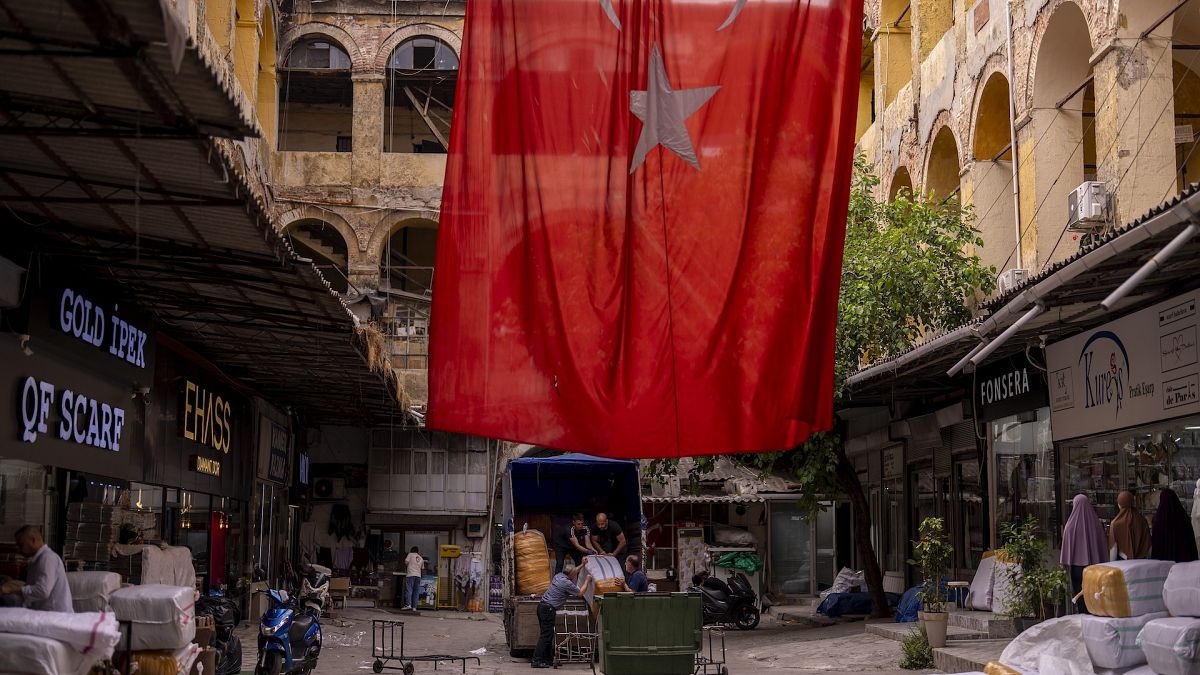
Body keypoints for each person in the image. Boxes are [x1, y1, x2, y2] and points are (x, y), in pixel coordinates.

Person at [532, 560, 593, 669]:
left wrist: (582, 565)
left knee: (548, 636)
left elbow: (573, 571)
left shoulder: (558, 576)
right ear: (571, 575)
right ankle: (536, 660)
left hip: (542, 607)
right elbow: (580, 593)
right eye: (575, 575)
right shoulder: (567, 583)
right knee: (546, 636)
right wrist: (587, 581)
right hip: (548, 609)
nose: (575, 576)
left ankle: (548, 660)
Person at [0, 525, 72, 613]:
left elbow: (43, 591)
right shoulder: (37, 560)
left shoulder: (47, 558)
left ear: (33, 540)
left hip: (55, 617)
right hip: (46, 615)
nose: (19, 550)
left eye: (21, 545)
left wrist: (14, 588)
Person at [1060, 494, 1107, 614]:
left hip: (1076, 568)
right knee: (1093, 592)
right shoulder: (1096, 524)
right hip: (1093, 567)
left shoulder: (1070, 526)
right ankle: (1093, 614)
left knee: (1079, 594)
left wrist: (1065, 562)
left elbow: (1066, 546)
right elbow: (1102, 545)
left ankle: (1082, 614)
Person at [1151, 488, 1199, 563]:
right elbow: (1190, 541)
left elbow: (1156, 544)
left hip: (1162, 564)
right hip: (1183, 562)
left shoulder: (1158, 520)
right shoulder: (1183, 518)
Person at [1109, 490, 1152, 560]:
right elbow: (1148, 545)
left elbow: (1113, 548)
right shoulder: (1142, 520)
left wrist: (1112, 565)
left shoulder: (1115, 523)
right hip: (1142, 561)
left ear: (1119, 504)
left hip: (1123, 561)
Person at [403, 546, 424, 610]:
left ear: (411, 550)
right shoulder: (421, 558)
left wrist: (409, 566)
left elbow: (406, 562)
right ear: (418, 551)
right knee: (416, 592)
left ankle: (408, 605)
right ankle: (414, 607)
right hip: (418, 576)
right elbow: (422, 568)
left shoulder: (410, 554)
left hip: (411, 575)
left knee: (409, 590)